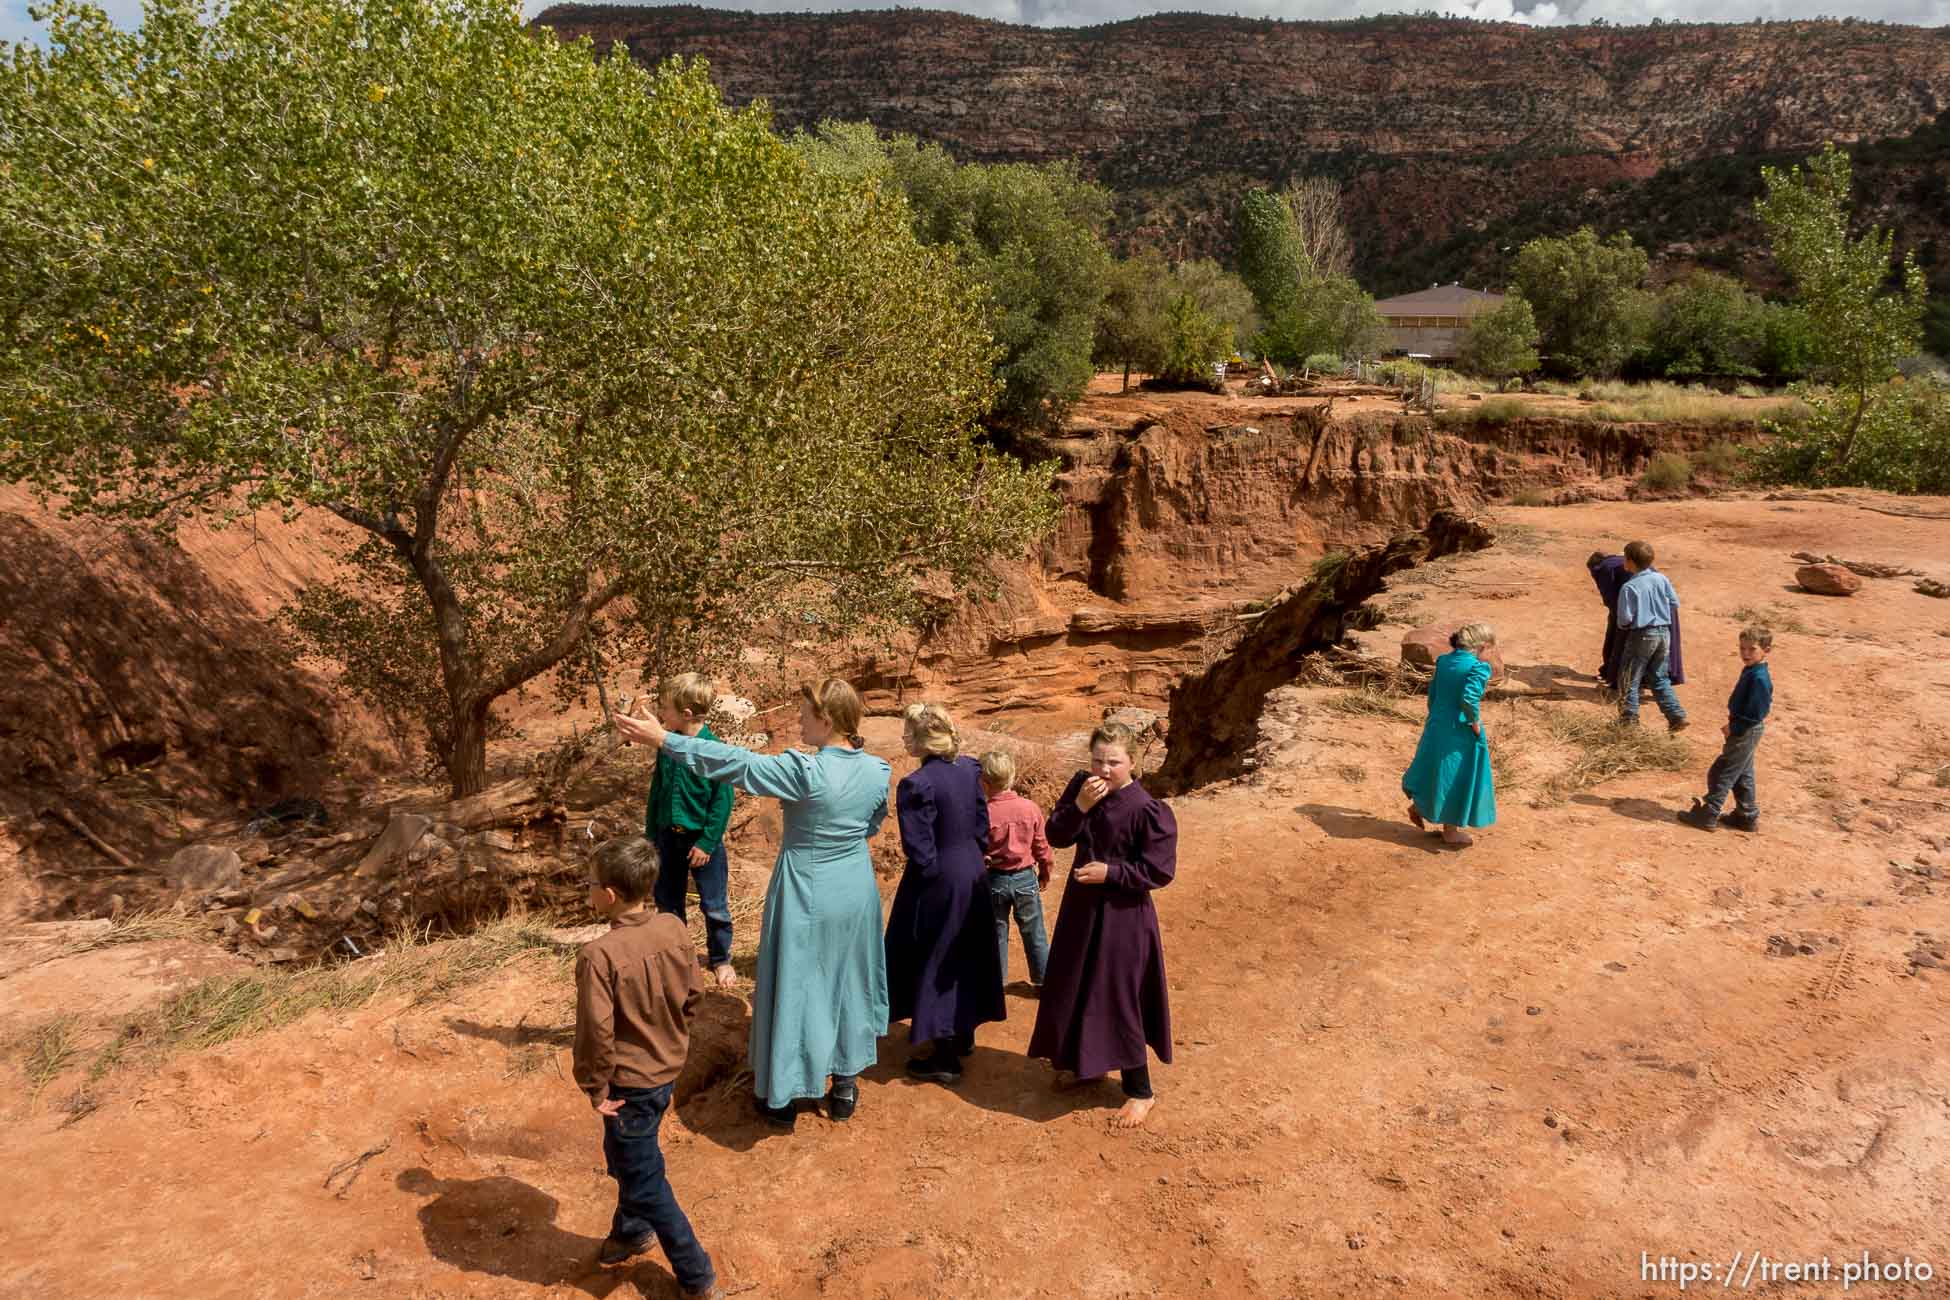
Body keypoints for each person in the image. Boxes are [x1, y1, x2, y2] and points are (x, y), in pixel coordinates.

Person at [616, 678, 889, 1129]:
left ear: (825, 720)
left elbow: (736, 764)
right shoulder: (877, 769)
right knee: (848, 979)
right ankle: (844, 1086)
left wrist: (665, 739)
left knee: (797, 983)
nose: (798, 719)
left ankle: (782, 1098)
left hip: (808, 887)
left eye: (804, 713)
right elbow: (871, 825)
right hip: (855, 888)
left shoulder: (806, 773)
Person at [572, 834, 722, 1298]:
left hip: (628, 1082)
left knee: (643, 1174)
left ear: (610, 895)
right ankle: (631, 1231)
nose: (589, 890)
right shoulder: (675, 928)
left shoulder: (599, 955)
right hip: (668, 1068)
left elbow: (596, 1033)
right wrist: (675, 1036)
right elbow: (694, 996)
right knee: (627, 1157)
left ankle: (696, 1275)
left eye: (592, 884)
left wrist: (594, 1086)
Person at [1028, 721, 1176, 1129]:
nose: (1104, 769)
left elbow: (1159, 871)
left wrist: (1110, 874)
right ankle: (1087, 1066)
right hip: (1082, 910)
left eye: (1114, 762)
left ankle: (1141, 1091)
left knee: (1117, 995)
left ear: (1133, 762)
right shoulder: (1083, 786)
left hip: (1123, 918)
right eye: (1098, 760)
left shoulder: (1147, 809)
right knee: (1077, 985)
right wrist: (1079, 807)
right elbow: (1057, 836)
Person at [885, 704, 1006, 1084]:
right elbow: (982, 824)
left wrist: (930, 880)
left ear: (921, 740)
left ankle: (945, 1057)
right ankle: (963, 1034)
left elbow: (918, 848)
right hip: (972, 868)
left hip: (939, 877)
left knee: (935, 955)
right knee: (966, 950)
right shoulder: (969, 768)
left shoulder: (917, 784)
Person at [644, 673, 738, 991]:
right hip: (668, 837)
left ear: (685, 713)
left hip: (701, 842)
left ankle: (720, 958)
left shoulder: (713, 750)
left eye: (666, 709)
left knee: (714, 905)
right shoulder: (667, 745)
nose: (662, 715)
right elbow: (658, 791)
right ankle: (677, 959)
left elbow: (722, 801)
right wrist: (651, 836)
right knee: (668, 902)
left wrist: (708, 842)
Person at [1402, 621, 1498, 848]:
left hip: (1437, 722)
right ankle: (1450, 831)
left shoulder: (1445, 661)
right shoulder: (1478, 668)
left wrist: (1436, 718)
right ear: (1482, 646)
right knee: (1456, 774)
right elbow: (1468, 698)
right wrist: (1474, 721)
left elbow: (1433, 694)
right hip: (1459, 727)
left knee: (1435, 766)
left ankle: (1421, 804)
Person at [1678, 626, 1773, 834]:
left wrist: (1735, 727)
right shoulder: (1752, 671)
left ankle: (1709, 813)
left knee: (1723, 771)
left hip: (1745, 730)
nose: (1745, 654)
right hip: (1746, 728)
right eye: (1742, 649)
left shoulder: (1759, 678)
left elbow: (1757, 712)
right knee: (1742, 773)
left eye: (1752, 649)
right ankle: (1746, 816)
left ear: (1767, 650)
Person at [980, 749, 1053, 989]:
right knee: (1034, 932)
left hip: (995, 880)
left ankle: (996, 985)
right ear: (1012, 776)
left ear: (984, 781)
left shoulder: (983, 812)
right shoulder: (1030, 808)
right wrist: (1045, 871)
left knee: (996, 932)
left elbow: (978, 848)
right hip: (1025, 878)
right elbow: (1042, 846)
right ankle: (1044, 981)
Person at [1615, 540, 1689, 732]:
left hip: (1642, 634)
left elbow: (1624, 619)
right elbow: (1674, 602)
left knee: (1629, 678)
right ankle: (1676, 715)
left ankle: (1628, 720)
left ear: (1630, 562)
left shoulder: (1629, 587)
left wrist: (1634, 622)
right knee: (1659, 677)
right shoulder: (1661, 578)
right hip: (1664, 633)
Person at [1589, 547, 1686, 694]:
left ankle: (1628, 696)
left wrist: (1624, 623)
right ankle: (1672, 708)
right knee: (1659, 666)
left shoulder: (1603, 568)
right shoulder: (1654, 574)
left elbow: (1613, 604)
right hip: (1663, 616)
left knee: (1632, 662)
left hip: (1641, 622)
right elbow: (1673, 602)